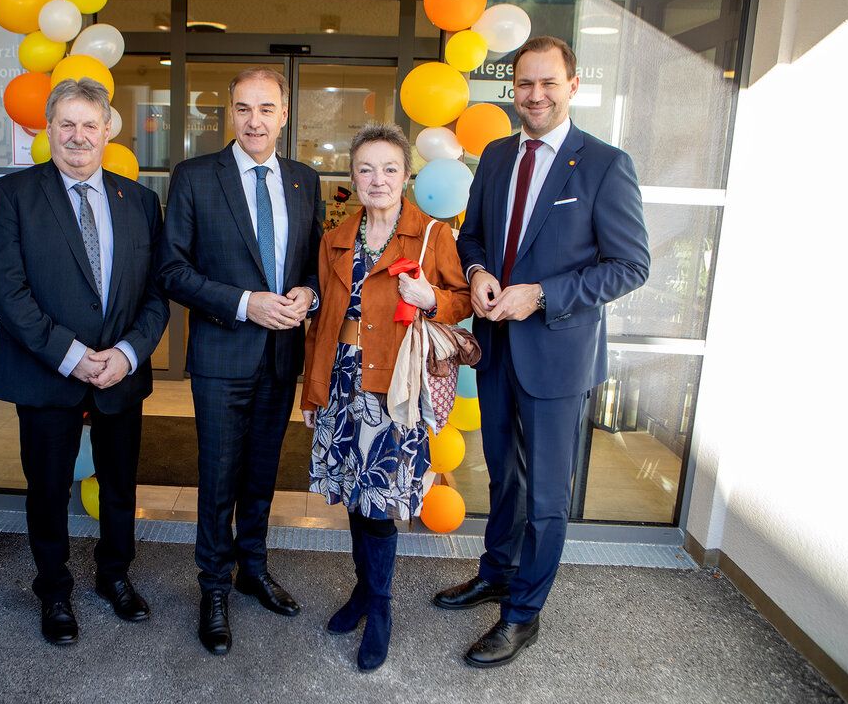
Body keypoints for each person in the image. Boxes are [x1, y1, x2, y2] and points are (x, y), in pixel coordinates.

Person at [436, 36, 650, 668]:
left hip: (558, 353)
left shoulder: (606, 165)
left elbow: (629, 266)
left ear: (572, 86)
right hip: (498, 344)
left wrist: (543, 294)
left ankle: (523, 613)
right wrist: (476, 273)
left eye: (547, 83)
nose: (535, 95)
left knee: (549, 492)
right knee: (504, 472)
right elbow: (472, 234)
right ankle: (496, 571)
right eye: (524, 84)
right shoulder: (498, 155)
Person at [0, 78, 169, 645]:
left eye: (91, 124)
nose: (78, 136)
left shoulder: (138, 200)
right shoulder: (13, 194)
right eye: (66, 123)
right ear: (47, 127)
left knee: (119, 487)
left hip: (119, 373)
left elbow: (156, 293)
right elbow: (6, 293)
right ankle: (54, 591)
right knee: (46, 489)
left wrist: (128, 353)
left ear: (109, 129)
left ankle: (115, 576)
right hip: (46, 374)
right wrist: (72, 356)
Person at [158, 67, 323, 655]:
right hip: (223, 355)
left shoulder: (305, 181)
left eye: (266, 109)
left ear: (284, 113)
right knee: (219, 478)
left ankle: (252, 569)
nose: (255, 120)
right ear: (230, 112)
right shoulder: (196, 177)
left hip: (282, 357)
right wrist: (244, 303)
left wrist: (309, 293)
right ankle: (213, 588)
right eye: (244, 109)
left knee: (262, 475)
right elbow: (172, 270)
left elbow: (313, 265)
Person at [300, 122, 471, 671]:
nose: (378, 179)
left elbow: (464, 299)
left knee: (379, 506)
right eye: (366, 169)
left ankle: (381, 608)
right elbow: (325, 321)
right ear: (352, 175)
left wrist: (431, 298)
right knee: (355, 497)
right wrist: (314, 389)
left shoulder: (431, 234)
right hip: (344, 382)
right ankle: (362, 592)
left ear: (407, 176)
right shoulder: (336, 236)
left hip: (391, 387)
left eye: (389, 168)